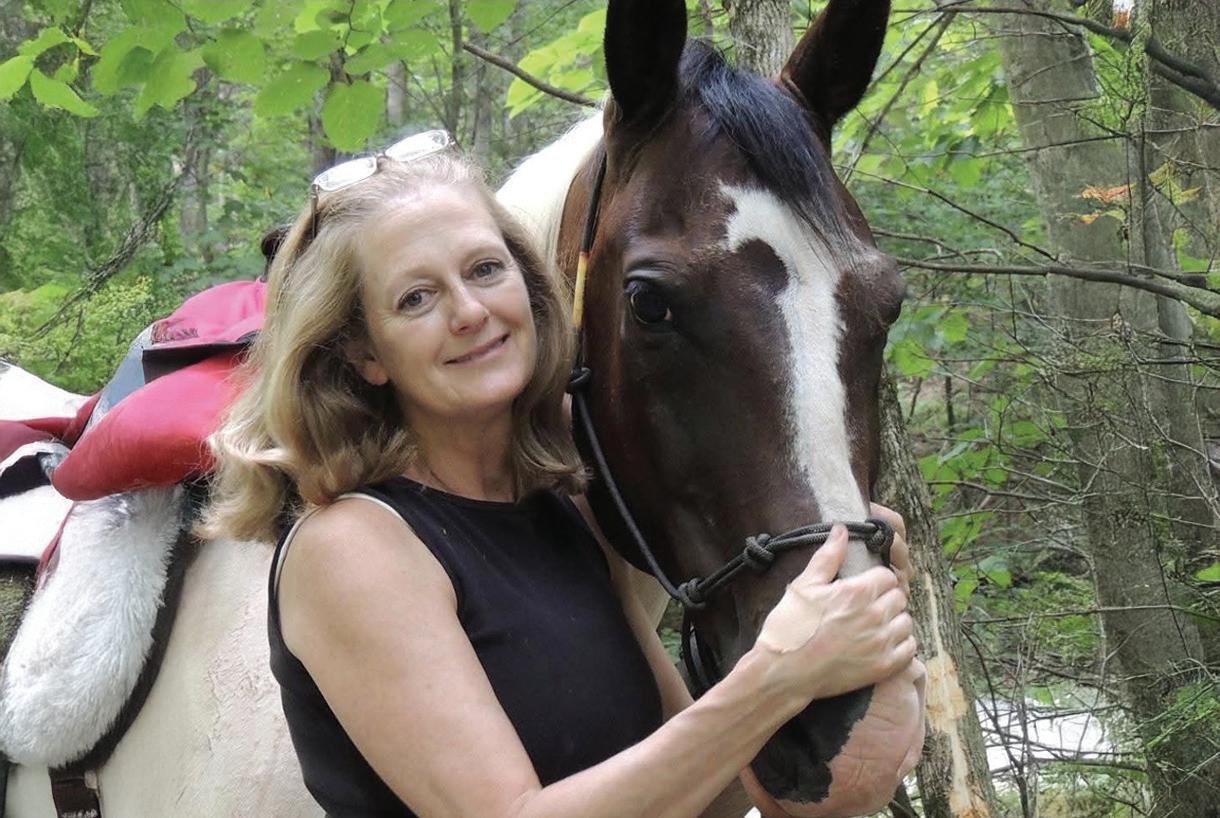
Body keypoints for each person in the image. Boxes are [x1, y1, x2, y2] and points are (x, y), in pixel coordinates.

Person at [199, 131, 918, 818]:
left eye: (485, 270)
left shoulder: (560, 507)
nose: (469, 311)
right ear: (365, 353)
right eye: (416, 298)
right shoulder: (352, 549)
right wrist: (773, 681)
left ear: (530, 285)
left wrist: (838, 644)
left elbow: (698, 798)